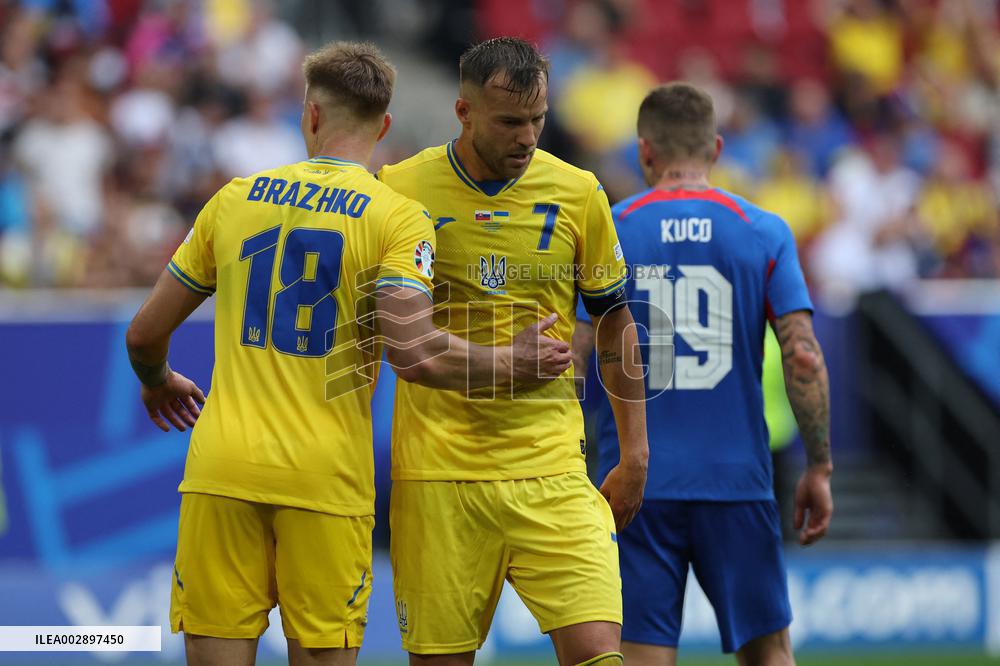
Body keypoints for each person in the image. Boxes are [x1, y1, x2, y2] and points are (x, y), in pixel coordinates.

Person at [125, 41, 571, 666]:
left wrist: (157, 379)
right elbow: (414, 351)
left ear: (309, 115)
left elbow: (144, 335)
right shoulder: (396, 218)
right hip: (325, 479)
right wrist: (509, 362)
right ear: (384, 124)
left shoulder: (233, 200)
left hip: (221, 469)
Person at [376, 37, 648, 666]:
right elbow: (393, 336)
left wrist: (634, 453)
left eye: (538, 119)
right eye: (509, 121)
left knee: (602, 655)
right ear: (463, 112)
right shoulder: (400, 189)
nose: (527, 136)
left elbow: (615, 323)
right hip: (439, 474)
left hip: (551, 464)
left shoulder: (580, 192)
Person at [574, 82, 833, 666]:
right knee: (769, 652)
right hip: (735, 480)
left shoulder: (607, 228)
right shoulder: (763, 230)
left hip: (635, 480)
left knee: (641, 654)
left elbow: (574, 355)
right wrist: (818, 464)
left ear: (644, 151)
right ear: (715, 147)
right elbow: (803, 355)